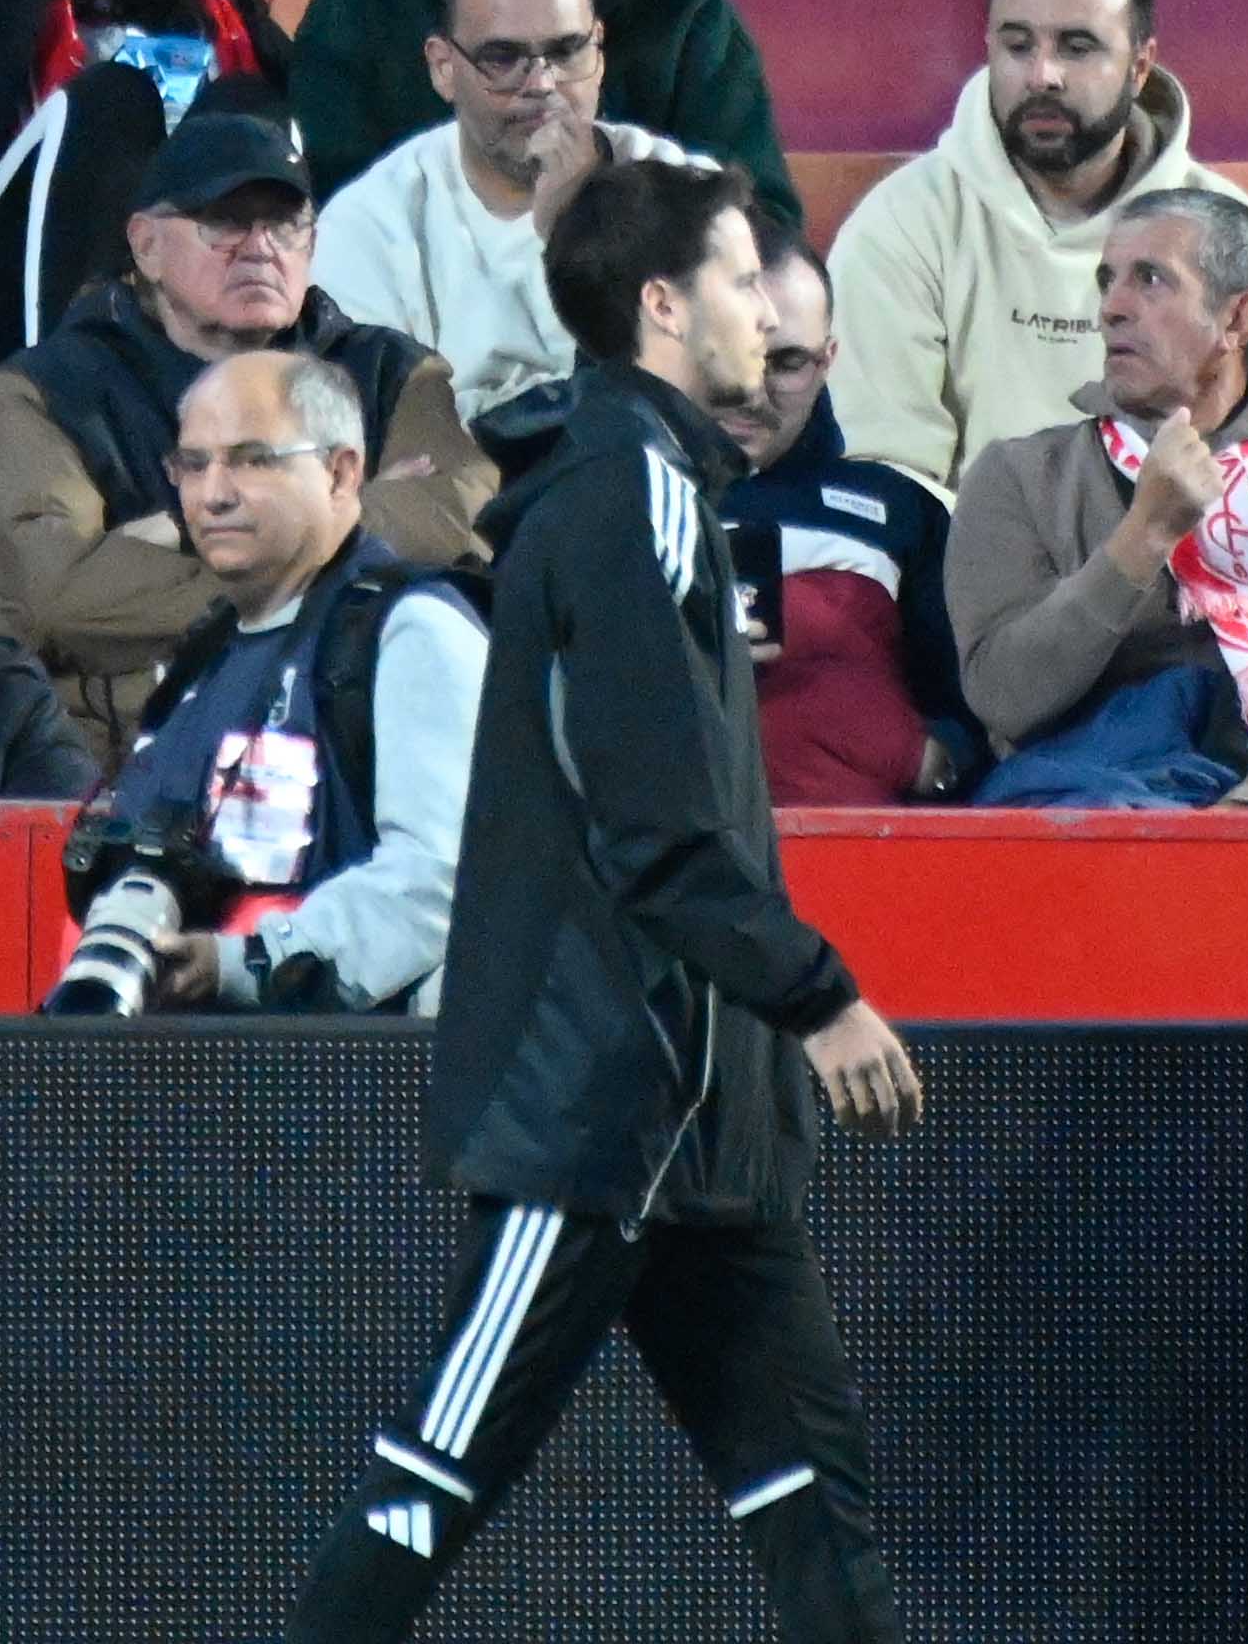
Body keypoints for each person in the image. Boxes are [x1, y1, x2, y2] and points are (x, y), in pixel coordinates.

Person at [264, 153, 925, 1644]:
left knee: (814, 1509)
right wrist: (814, 995)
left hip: (691, 1115)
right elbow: (657, 823)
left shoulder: (634, 483)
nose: (769, 311)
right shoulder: (634, 496)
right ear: (662, 307)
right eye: (744, 280)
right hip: (608, 1100)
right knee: (426, 1485)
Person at [0, 92, 505, 753]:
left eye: (285, 225)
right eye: (224, 222)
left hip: (353, 746)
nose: (260, 249)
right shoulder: (44, 392)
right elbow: (58, 598)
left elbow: (462, 530)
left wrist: (178, 530)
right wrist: (338, 528)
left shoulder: (392, 372)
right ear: (146, 245)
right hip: (134, 756)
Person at [941, 174, 1248, 806]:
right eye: (1107, 280)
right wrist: (1141, 540)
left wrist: (1235, 821)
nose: (1111, 308)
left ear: (1238, 319)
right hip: (1080, 799)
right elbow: (1006, 700)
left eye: (1150, 279)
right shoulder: (1018, 475)